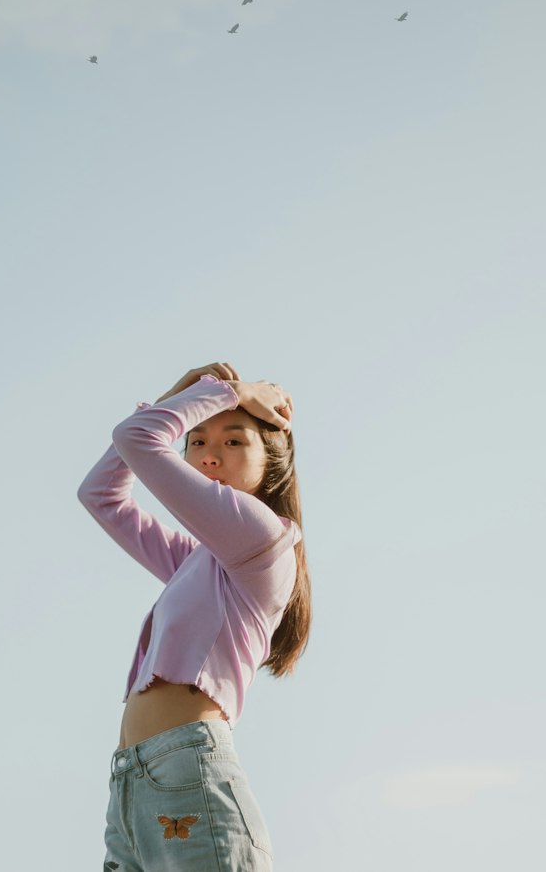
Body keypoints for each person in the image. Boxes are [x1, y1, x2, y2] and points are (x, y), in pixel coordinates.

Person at [77, 361, 311, 871]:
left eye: (233, 442)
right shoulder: (197, 562)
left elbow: (138, 440)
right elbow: (101, 495)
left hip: (188, 771)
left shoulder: (261, 537)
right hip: (131, 787)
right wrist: (173, 397)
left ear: (270, 463)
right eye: (196, 440)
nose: (208, 456)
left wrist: (230, 391)